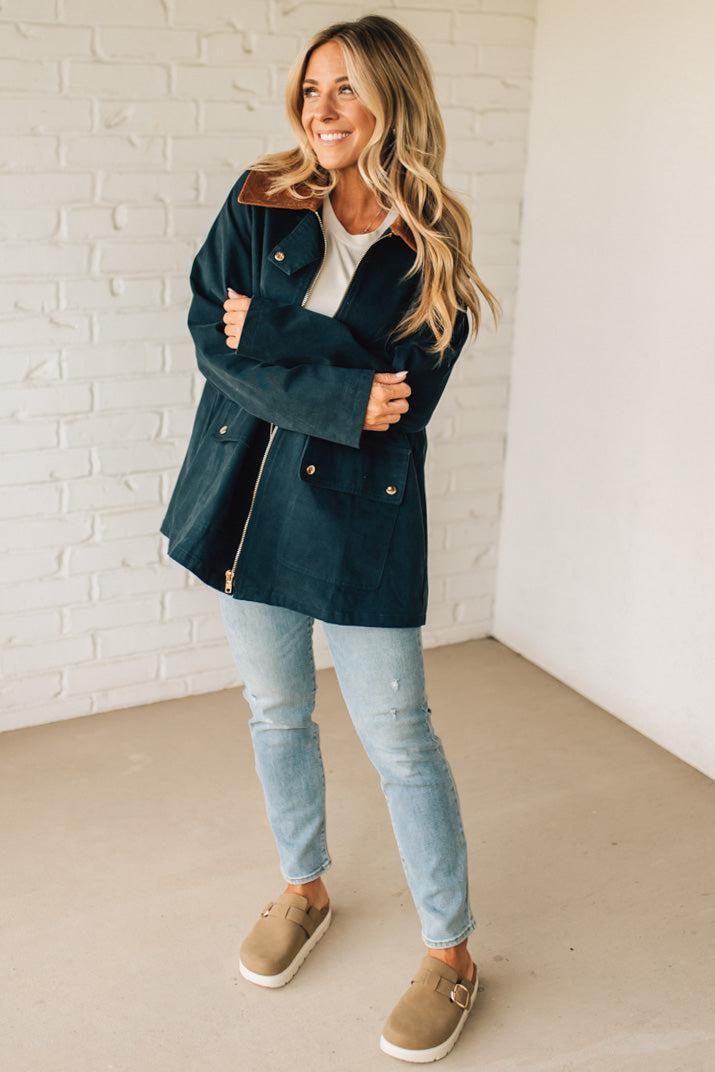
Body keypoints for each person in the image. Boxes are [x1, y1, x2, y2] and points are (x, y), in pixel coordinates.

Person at [160, 13, 500, 1064]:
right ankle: (303, 886)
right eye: (311, 89)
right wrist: (335, 385)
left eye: (347, 89)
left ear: (392, 98)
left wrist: (265, 332)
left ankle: (451, 954)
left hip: (358, 513)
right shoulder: (261, 194)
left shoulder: (435, 238)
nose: (321, 109)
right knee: (276, 710)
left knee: (400, 739)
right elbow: (203, 335)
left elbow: (401, 399)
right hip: (242, 500)